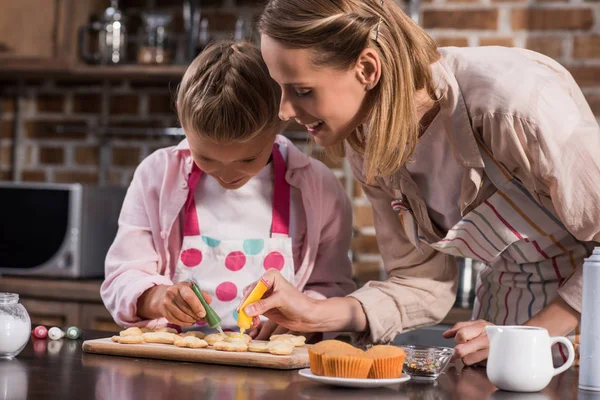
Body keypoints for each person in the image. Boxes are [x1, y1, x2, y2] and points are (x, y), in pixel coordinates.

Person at [240, 0, 600, 365]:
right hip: (503, 316)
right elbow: (421, 280)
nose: (284, 110)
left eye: (302, 90)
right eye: (281, 89)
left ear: (366, 68)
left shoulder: (513, 104)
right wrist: (315, 313)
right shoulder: (368, 140)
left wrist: (533, 336)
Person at [100, 40, 356, 340]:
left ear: (278, 128)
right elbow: (122, 278)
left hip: (273, 372)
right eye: (206, 157)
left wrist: (303, 315)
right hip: (176, 366)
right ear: (185, 128)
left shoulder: (319, 188)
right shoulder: (156, 176)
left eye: (248, 159)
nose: (227, 173)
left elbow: (333, 289)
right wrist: (158, 298)